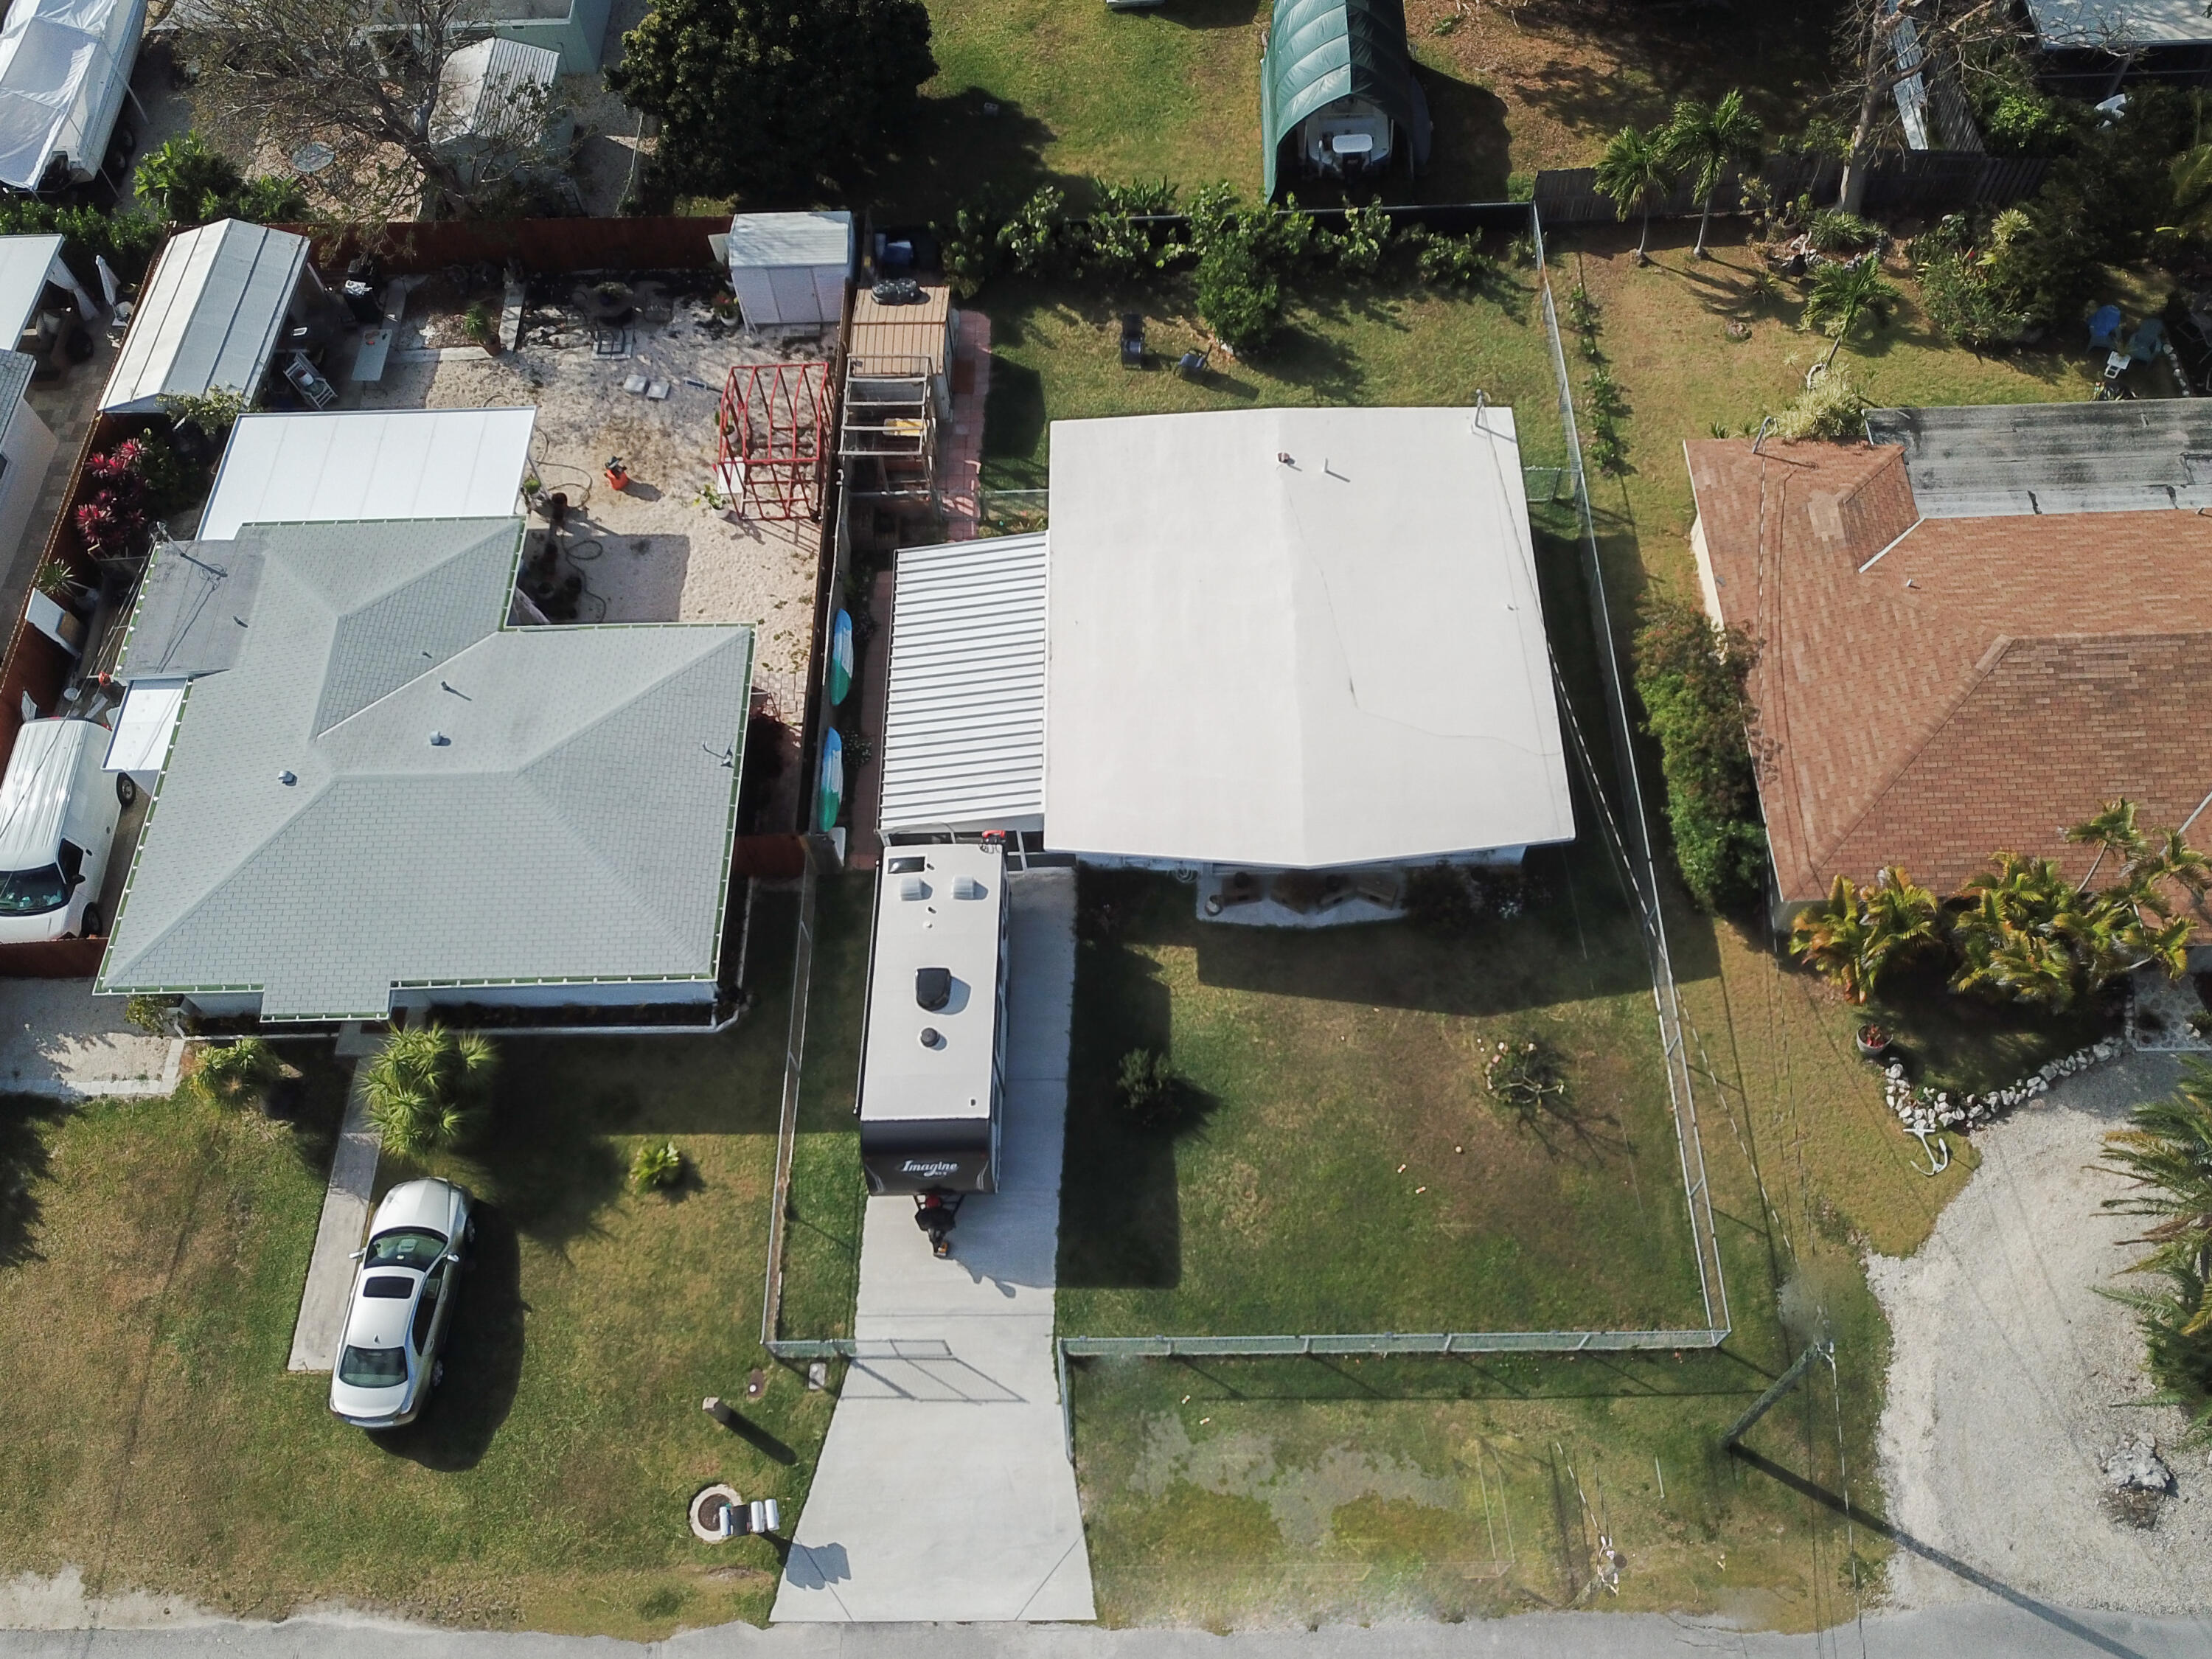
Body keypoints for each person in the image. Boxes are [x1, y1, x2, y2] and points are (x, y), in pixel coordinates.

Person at [914, 1192, 956, 1256]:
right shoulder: (942, 1214)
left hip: (940, 1225)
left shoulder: (925, 1217)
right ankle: (937, 1243)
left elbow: (917, 1216)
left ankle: (937, 1243)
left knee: (937, 1229)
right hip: (936, 1224)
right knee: (932, 1228)